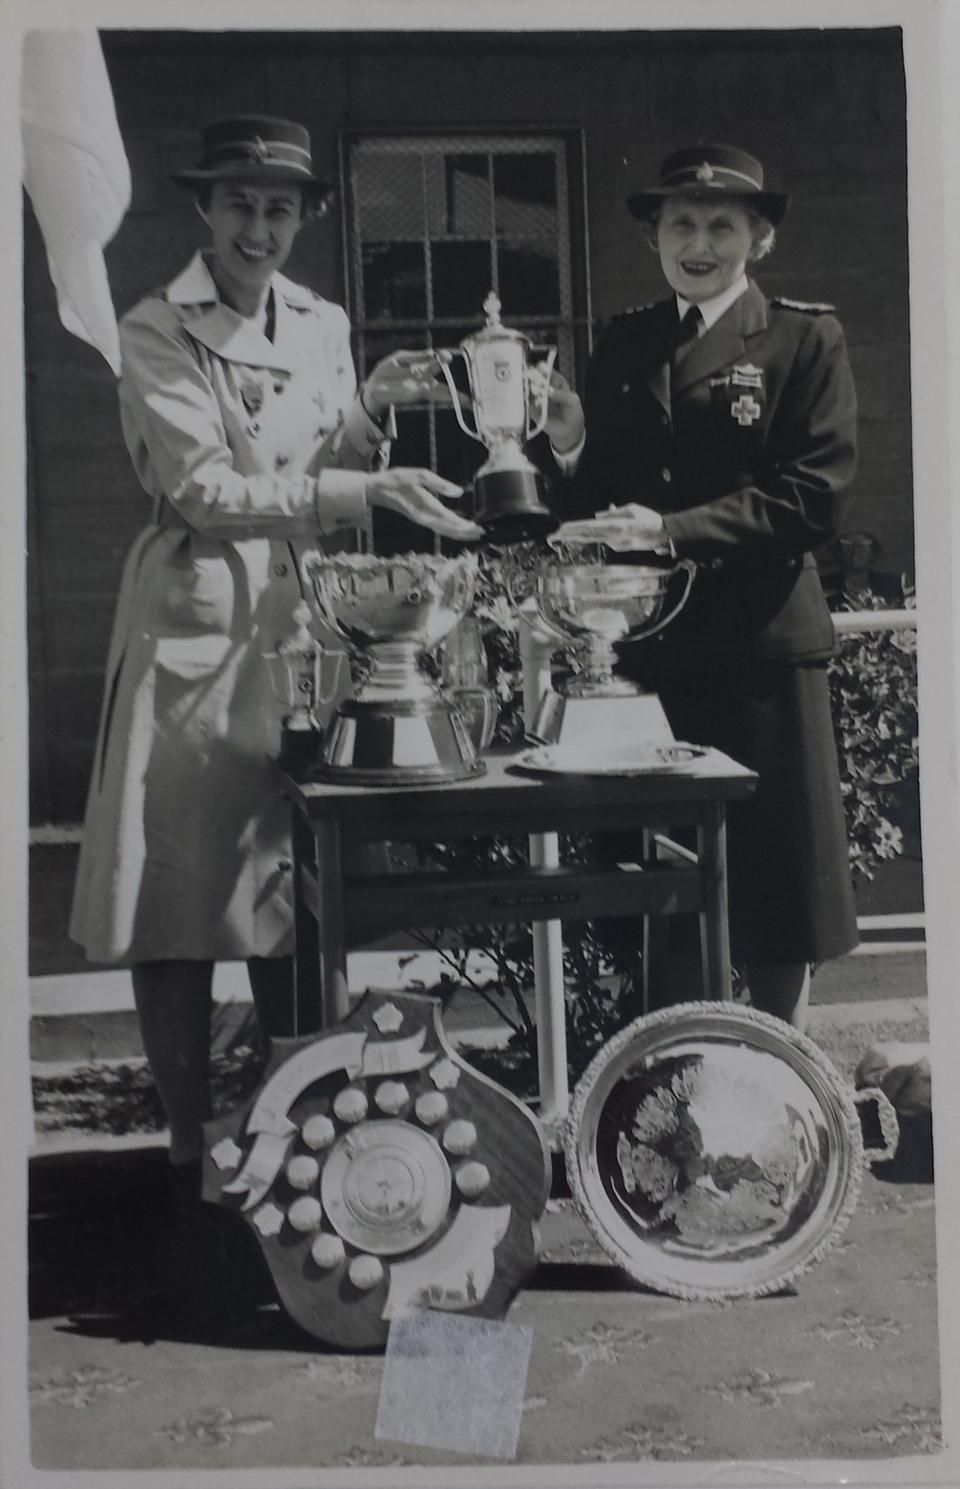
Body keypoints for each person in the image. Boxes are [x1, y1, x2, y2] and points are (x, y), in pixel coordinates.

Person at [69, 116, 482, 1189]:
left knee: (292, 888)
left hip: (308, 622)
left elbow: (331, 450)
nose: (261, 228)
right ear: (204, 209)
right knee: (183, 896)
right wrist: (357, 486)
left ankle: (292, 1116)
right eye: (241, 204)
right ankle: (187, 1137)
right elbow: (205, 487)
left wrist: (373, 415)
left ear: (304, 218)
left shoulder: (322, 320)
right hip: (195, 619)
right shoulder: (157, 327)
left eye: (280, 208)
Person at [543, 142, 859, 1030]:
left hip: (761, 649)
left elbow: (814, 496)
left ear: (758, 238)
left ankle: (779, 1075)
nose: (700, 242)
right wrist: (570, 444)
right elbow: (597, 496)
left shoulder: (805, 339)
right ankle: (663, 1077)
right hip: (654, 658)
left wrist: (672, 532)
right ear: (654, 237)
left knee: (775, 888)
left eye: (723, 224)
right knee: (652, 881)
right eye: (681, 223)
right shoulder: (627, 341)